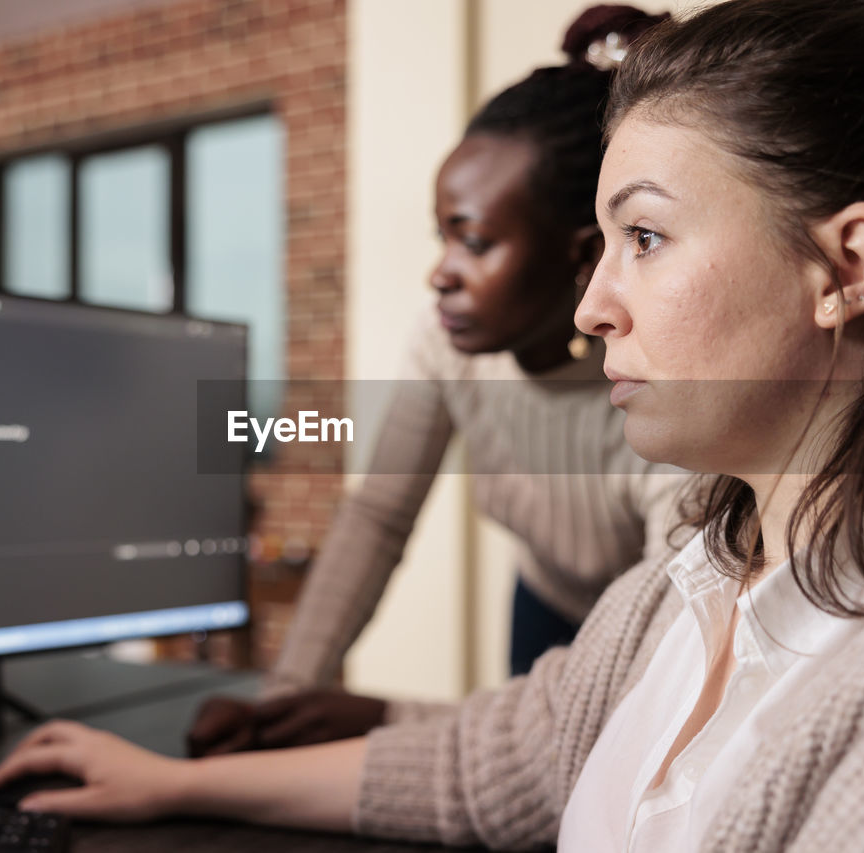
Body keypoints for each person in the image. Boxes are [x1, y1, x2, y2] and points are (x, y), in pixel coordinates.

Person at [0, 0, 864, 848]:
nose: (593, 306)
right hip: (572, 604)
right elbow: (496, 724)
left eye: (647, 237)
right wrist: (235, 736)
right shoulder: (682, 583)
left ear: (845, 268)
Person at [186, 3, 683, 757]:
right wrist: (286, 701)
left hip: (656, 613)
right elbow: (379, 515)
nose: (439, 273)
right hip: (547, 600)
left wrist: (385, 718)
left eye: (475, 241)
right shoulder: (446, 339)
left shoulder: (665, 395)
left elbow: (650, 661)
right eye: (442, 233)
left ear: (584, 255)